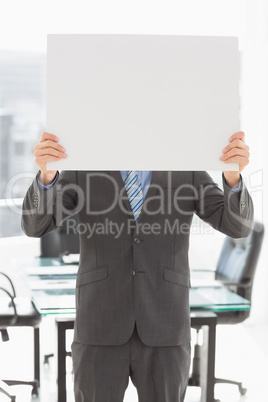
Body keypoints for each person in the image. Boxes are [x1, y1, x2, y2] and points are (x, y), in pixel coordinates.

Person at [21, 130, 253, 402]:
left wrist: (233, 178)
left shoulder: (182, 163)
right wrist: (46, 177)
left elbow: (237, 226)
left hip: (165, 321)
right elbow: (36, 225)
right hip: (100, 320)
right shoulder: (87, 163)